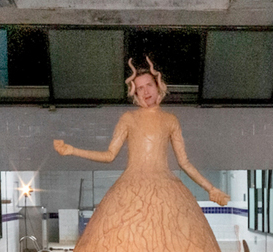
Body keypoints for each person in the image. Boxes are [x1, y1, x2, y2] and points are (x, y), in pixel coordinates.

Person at [53, 56, 231, 208]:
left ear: (158, 85)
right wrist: (72, 150)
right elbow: (109, 155)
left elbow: (184, 163)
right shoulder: (128, 118)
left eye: (149, 85)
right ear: (134, 92)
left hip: (164, 188)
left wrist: (211, 188)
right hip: (132, 187)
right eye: (140, 88)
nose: (146, 91)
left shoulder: (170, 120)